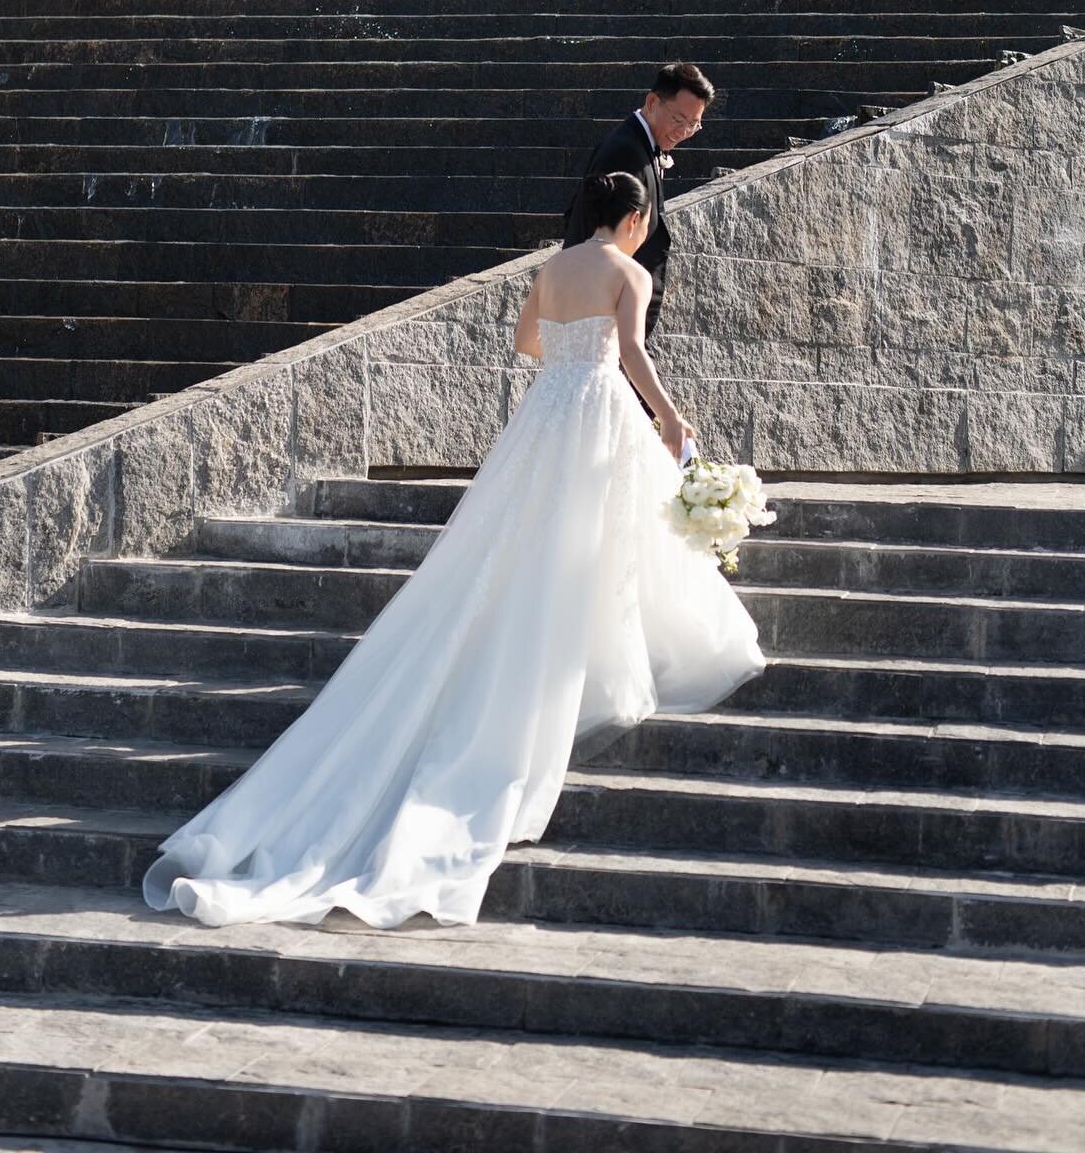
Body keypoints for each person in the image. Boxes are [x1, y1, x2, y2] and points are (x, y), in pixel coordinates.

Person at [142, 170, 765, 931]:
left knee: (522, 538)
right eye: (642, 222)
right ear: (633, 219)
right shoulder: (628, 271)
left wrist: (571, 363)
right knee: (601, 539)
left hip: (545, 414)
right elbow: (631, 349)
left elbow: (526, 342)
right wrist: (669, 418)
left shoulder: (553, 267)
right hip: (598, 410)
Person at [562, 61, 714, 341]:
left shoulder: (635, 144)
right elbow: (599, 237)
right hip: (606, 322)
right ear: (652, 101)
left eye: (694, 125)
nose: (683, 133)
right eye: (678, 120)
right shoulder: (625, 153)